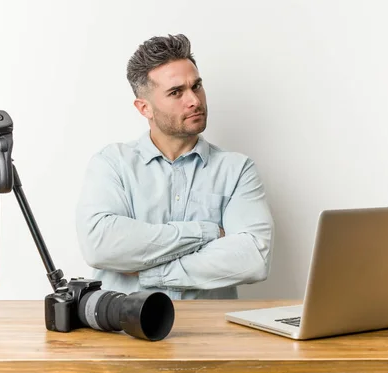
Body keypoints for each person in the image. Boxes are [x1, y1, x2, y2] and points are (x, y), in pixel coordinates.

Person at [75, 34, 274, 300]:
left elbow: (253, 258)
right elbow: (100, 246)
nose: (194, 100)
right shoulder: (112, 164)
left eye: (197, 86)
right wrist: (207, 232)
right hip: (126, 333)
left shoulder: (237, 170)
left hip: (211, 336)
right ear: (144, 108)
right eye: (176, 92)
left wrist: (149, 272)